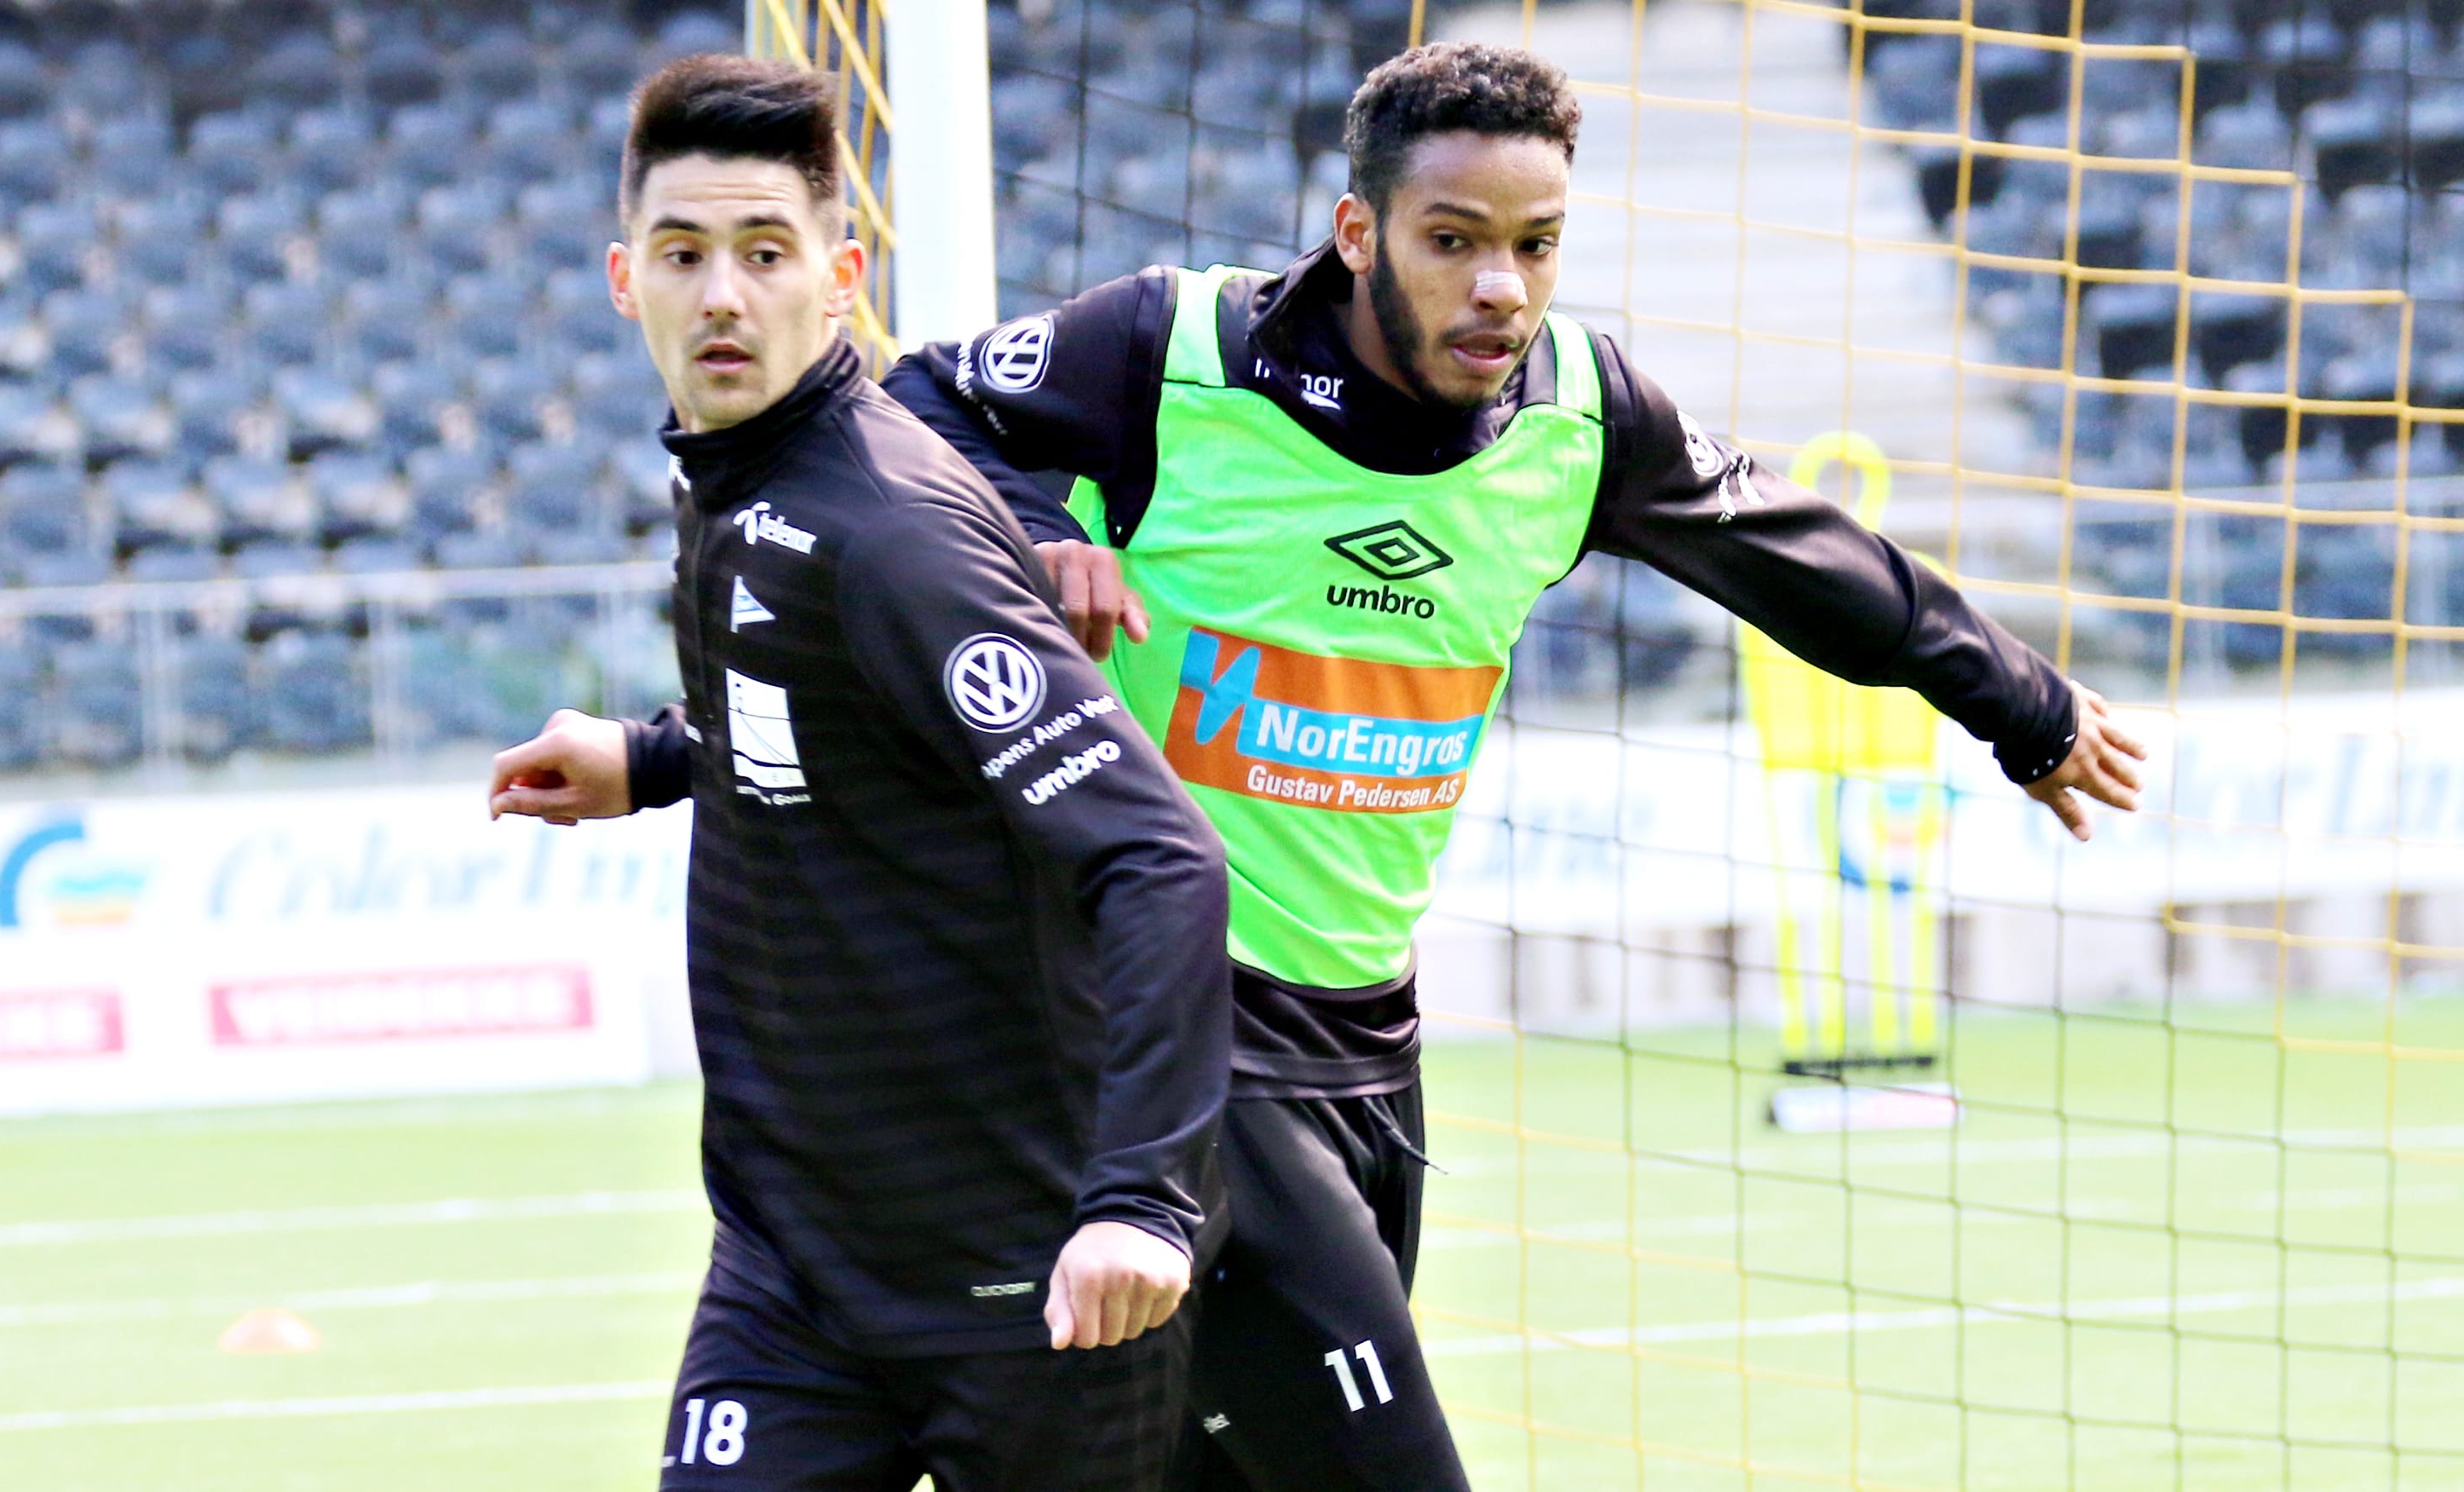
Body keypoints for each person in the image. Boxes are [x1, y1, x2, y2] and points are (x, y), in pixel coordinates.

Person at [883, 40, 2149, 1492]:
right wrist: (1038, 535)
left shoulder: (1578, 416)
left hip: (1366, 1037)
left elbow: (1798, 555)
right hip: (1164, 1017)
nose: (1502, 285)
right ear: (1358, 233)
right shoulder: (1174, 353)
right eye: (1454, 241)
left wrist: (2023, 705)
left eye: (1536, 245)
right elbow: (916, 408)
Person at [487, 55, 1233, 1492]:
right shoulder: (735, 476)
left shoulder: (892, 530)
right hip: (796, 1264)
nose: (722, 296)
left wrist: (1141, 1205)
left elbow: (1160, 860)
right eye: (683, 254)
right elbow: (831, 710)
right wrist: (655, 756)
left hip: (1023, 1275)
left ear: (841, 277)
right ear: (624, 280)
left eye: (765, 254)